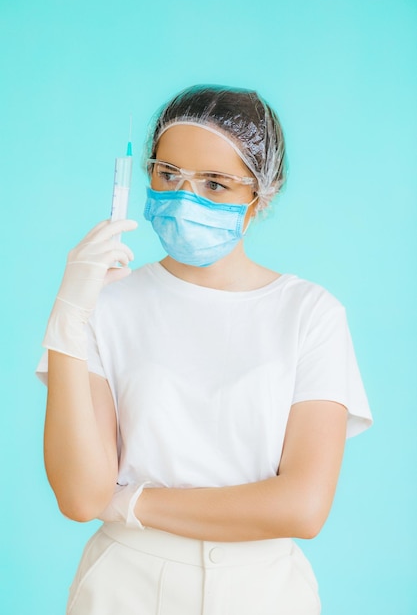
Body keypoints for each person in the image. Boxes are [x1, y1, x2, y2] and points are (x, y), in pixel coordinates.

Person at [37, 84, 373, 615]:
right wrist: (68, 315)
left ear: (260, 197)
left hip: (265, 592)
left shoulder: (311, 313)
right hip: (125, 587)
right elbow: (81, 496)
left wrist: (129, 500)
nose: (183, 197)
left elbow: (303, 507)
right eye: (168, 175)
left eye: (216, 184)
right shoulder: (105, 305)